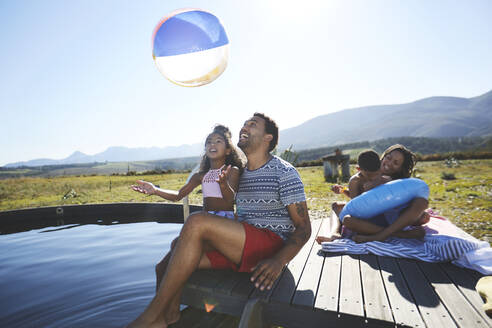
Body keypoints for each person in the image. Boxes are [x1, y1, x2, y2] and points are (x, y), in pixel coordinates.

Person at [127, 113, 311, 328]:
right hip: (242, 243)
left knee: (197, 221)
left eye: (253, 124)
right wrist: (156, 189)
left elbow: (304, 228)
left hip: (270, 246)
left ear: (268, 137)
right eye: (244, 123)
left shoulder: (284, 172)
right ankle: (170, 316)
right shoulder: (243, 172)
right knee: (170, 256)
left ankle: (149, 318)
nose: (245, 126)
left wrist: (279, 261)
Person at [131, 124, 244, 289]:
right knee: (161, 266)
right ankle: (166, 307)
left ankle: (167, 307)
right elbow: (178, 195)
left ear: (228, 150)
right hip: (204, 226)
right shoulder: (201, 176)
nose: (212, 144)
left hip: (224, 225)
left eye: (218, 141)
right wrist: (155, 190)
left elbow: (230, 200)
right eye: (209, 142)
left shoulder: (231, 170)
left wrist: (223, 185)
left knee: (177, 249)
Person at [316, 144, 429, 244]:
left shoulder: (398, 183)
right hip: (370, 219)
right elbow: (358, 204)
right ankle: (335, 233)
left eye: (395, 163)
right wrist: (344, 191)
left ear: (401, 168)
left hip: (392, 216)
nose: (389, 163)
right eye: (388, 158)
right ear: (383, 156)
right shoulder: (364, 174)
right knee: (342, 213)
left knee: (422, 205)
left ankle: (381, 235)